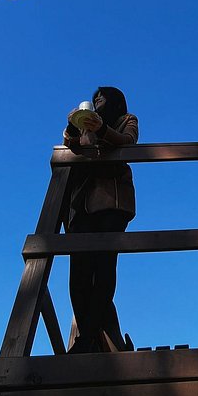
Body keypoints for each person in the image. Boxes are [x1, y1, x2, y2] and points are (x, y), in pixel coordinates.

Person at [62, 86, 138, 353]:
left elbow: (128, 141)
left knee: (104, 267)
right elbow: (71, 145)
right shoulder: (86, 128)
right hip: (81, 205)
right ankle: (94, 335)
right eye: (94, 100)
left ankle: (87, 340)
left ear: (115, 101)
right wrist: (73, 125)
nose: (97, 102)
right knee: (79, 273)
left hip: (112, 202)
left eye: (101, 98)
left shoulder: (126, 119)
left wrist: (102, 129)